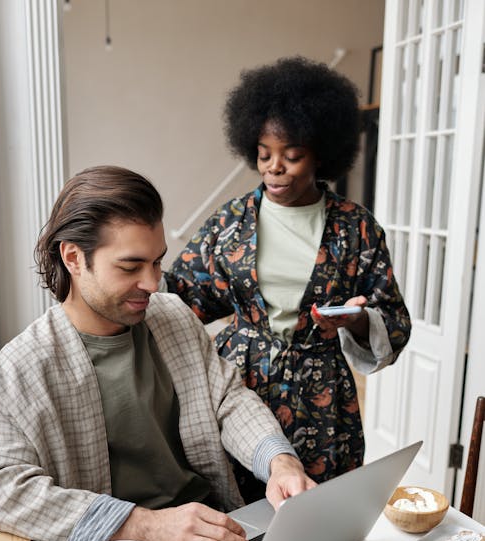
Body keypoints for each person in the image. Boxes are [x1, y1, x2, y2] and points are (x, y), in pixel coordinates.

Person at [0, 165, 315, 541]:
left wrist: (279, 461)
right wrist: (144, 528)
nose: (153, 282)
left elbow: (228, 399)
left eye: (157, 262)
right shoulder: (20, 368)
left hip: (214, 535)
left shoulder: (172, 316)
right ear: (73, 257)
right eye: (131, 267)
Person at [163, 56, 411, 500]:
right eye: (264, 154)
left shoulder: (355, 227)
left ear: (321, 155)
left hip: (323, 397)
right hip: (241, 386)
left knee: (319, 510)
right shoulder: (231, 222)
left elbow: (392, 318)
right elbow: (180, 294)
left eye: (291, 156)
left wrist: (356, 320)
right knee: (239, 509)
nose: (274, 167)